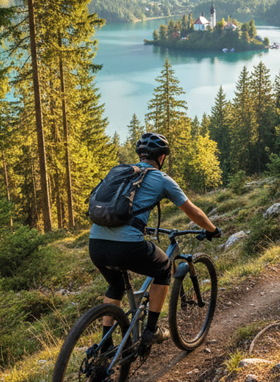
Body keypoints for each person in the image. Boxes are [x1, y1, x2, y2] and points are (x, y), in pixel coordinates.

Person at [88, 132, 222, 347]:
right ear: (162, 157)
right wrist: (212, 230)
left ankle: (105, 344)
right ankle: (151, 330)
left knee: (116, 285)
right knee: (163, 267)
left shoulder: (120, 173)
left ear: (140, 155)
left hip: (95, 243)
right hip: (127, 247)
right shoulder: (161, 178)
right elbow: (193, 211)